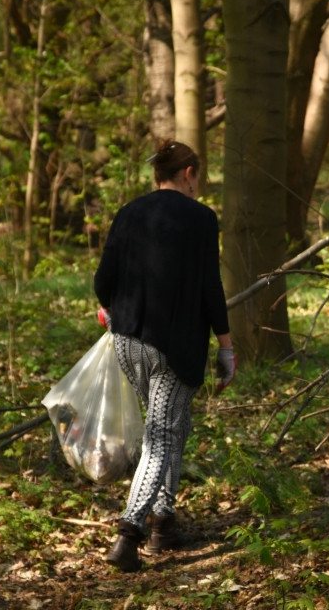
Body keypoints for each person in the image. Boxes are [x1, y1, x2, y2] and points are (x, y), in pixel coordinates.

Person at [94, 139, 237, 572]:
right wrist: (226, 348)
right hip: (174, 348)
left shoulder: (128, 213)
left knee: (172, 426)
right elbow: (211, 288)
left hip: (128, 340)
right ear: (189, 172)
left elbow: (104, 281)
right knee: (162, 437)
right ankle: (129, 533)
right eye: (199, 176)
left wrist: (111, 309)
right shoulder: (201, 219)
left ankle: (165, 524)